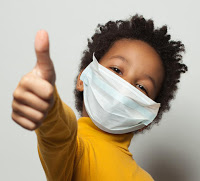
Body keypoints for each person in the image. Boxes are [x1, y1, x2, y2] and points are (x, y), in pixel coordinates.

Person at [11, 14, 187, 180]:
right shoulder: (75, 149)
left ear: (148, 116)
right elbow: (59, 136)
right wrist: (50, 108)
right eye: (116, 70)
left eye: (142, 87)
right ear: (83, 78)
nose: (125, 88)